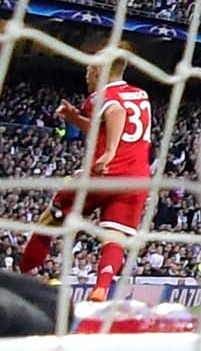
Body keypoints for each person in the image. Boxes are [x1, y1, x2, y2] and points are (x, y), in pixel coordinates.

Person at [18, 40, 152, 303]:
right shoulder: (140, 94)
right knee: (114, 236)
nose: (86, 75)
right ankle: (101, 288)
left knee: (48, 222)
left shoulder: (102, 97)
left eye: (90, 70)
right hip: (136, 179)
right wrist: (75, 119)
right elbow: (105, 125)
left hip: (103, 175)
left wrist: (110, 152)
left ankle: (25, 276)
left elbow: (115, 113)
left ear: (100, 72)